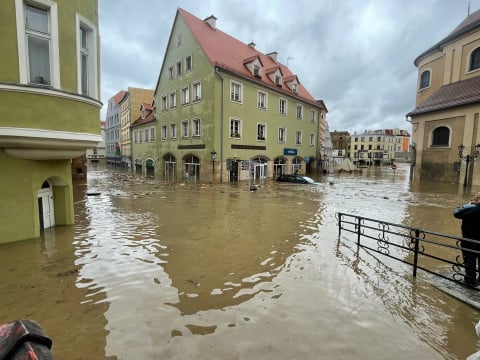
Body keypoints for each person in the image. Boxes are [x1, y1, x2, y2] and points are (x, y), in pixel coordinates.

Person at [453, 192, 480, 287]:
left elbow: (456, 213)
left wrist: (469, 205)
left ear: (477, 199)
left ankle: (470, 281)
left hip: (470, 240)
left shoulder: (473, 208)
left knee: (470, 261)